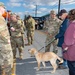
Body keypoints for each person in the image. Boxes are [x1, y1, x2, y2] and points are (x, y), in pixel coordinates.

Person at [0, 2, 13, 75]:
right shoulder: (0, 18)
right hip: (3, 44)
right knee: (7, 62)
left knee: (2, 61)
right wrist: (7, 41)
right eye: (3, 8)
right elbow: (2, 32)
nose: (4, 10)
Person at [62, 9, 75, 75]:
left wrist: (64, 47)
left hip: (72, 52)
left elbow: (68, 41)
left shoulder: (72, 26)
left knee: (72, 69)